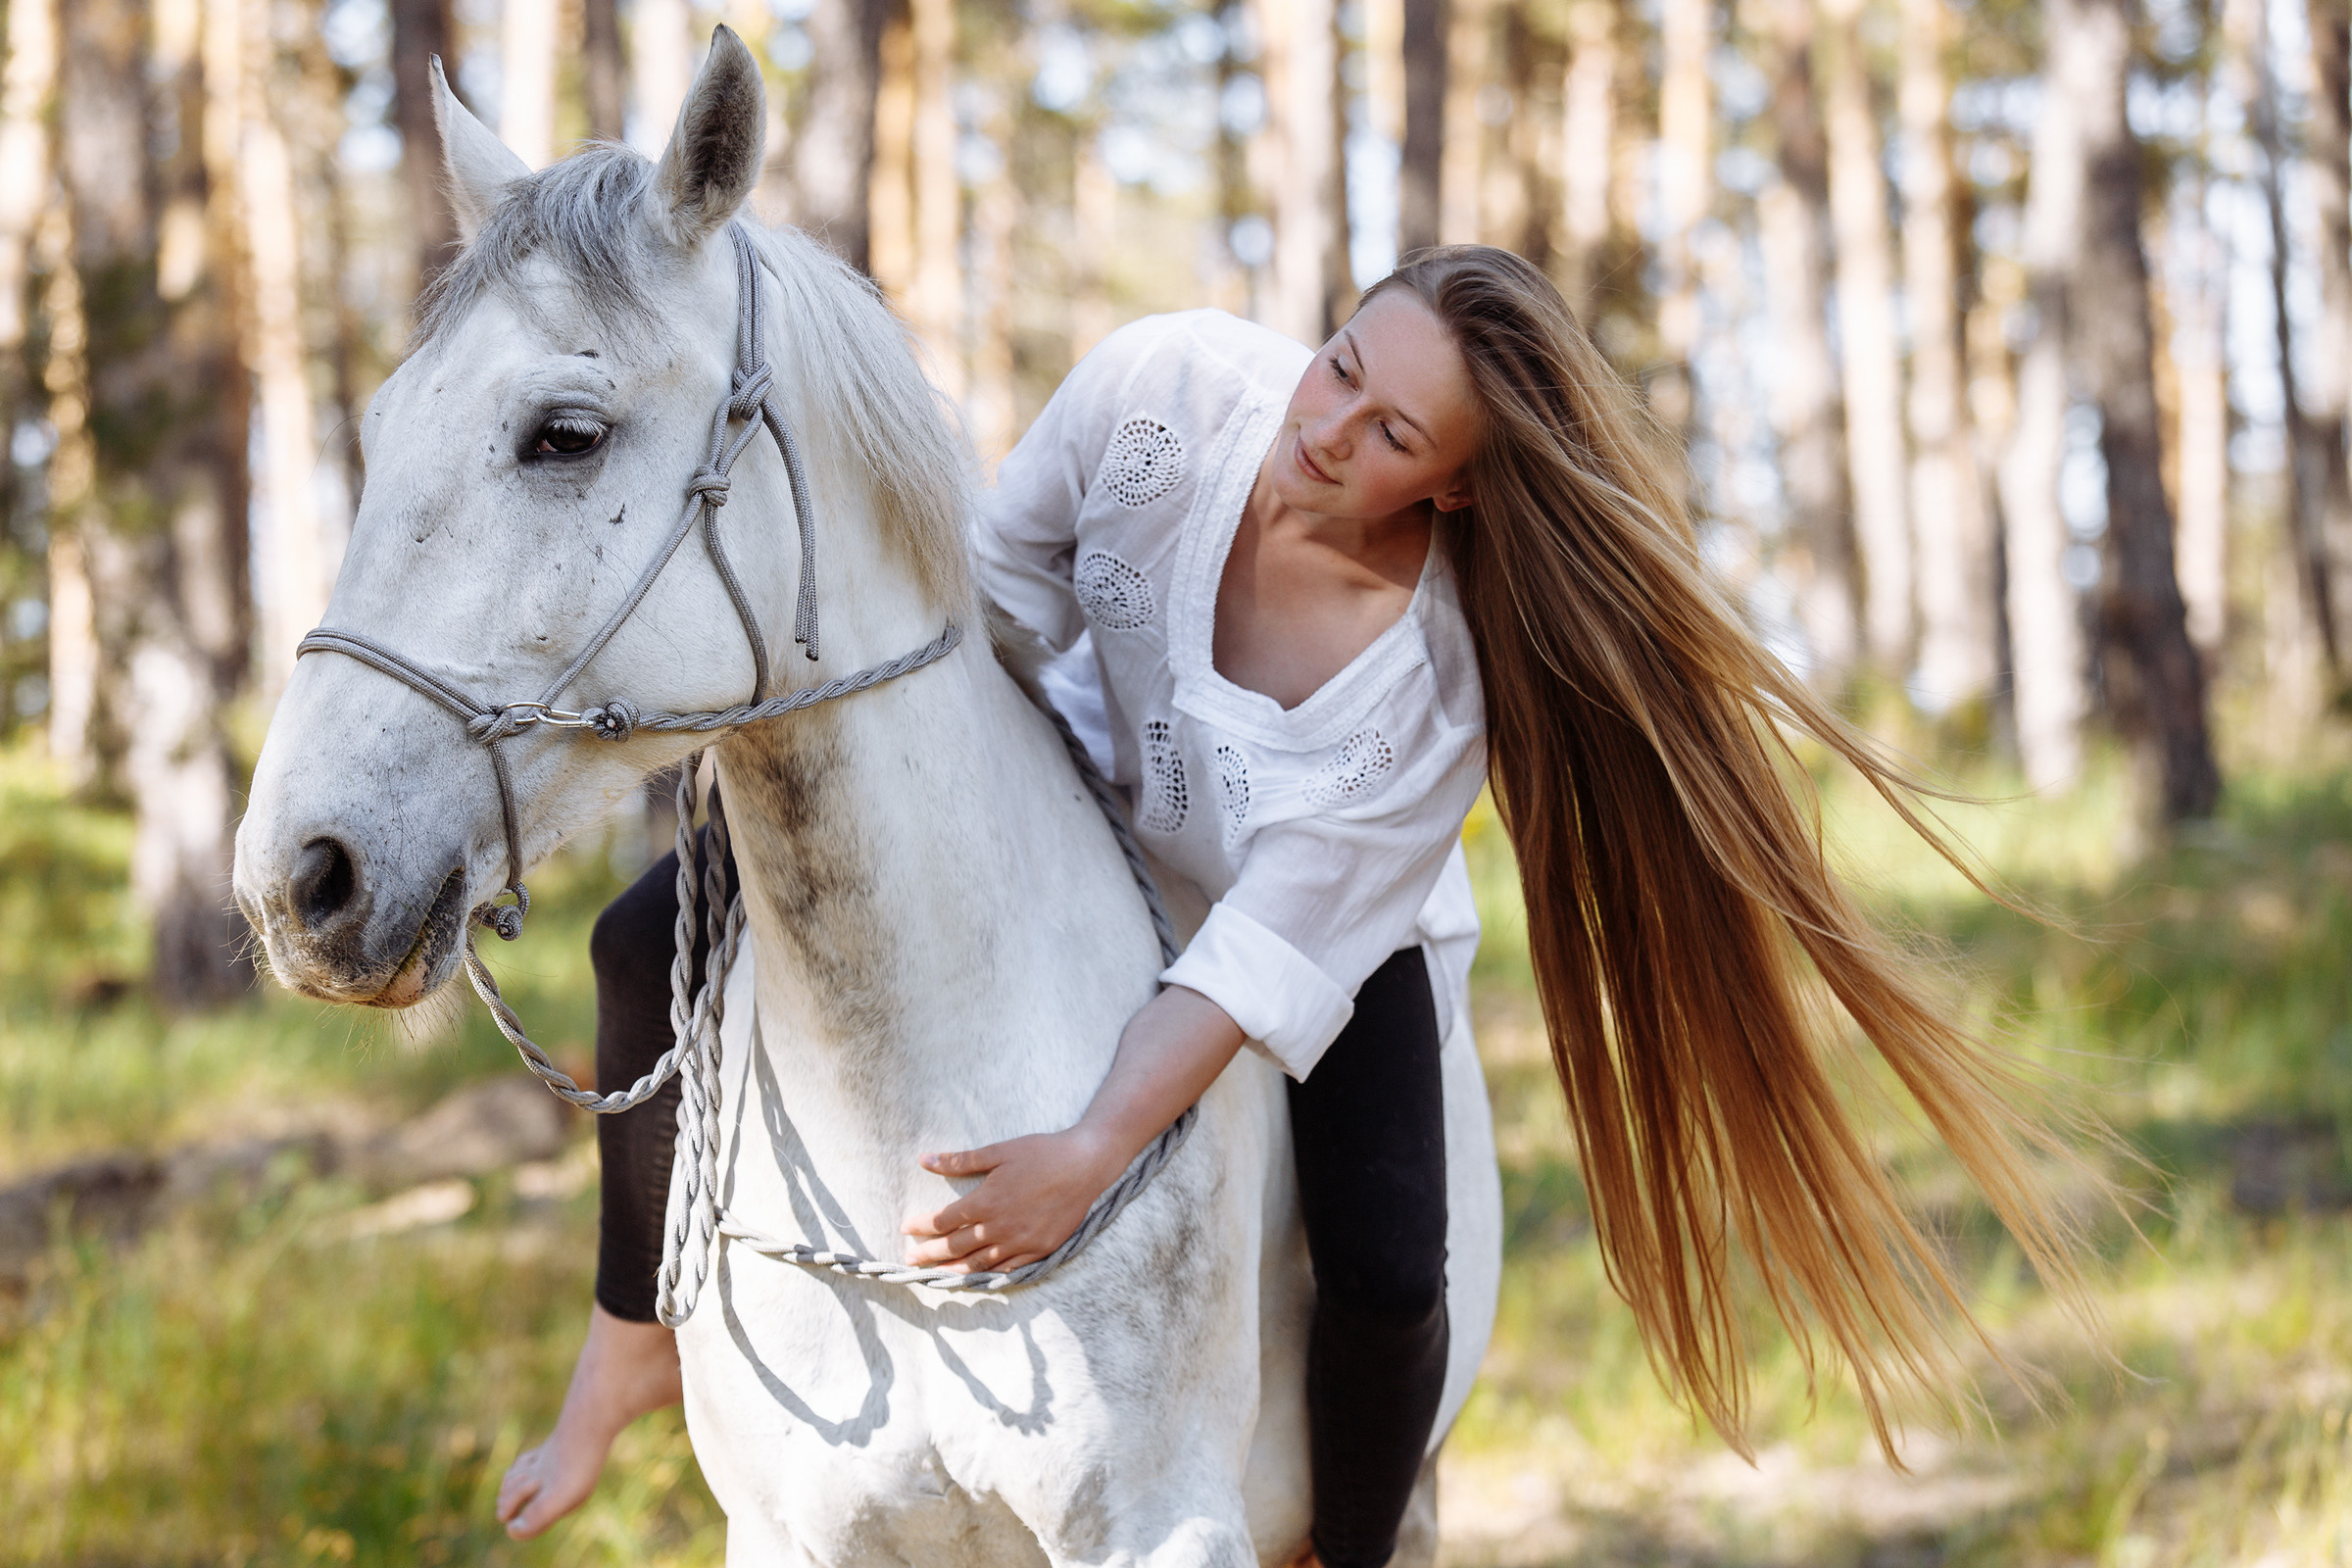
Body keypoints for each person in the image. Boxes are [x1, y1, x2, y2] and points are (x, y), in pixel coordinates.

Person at [498, 246, 2093, 1554]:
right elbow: (984, 604)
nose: (1330, 427)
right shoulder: (1162, 392)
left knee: (1393, 1258)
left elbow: (1257, 959)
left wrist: (1085, 1155)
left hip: (1306, 930)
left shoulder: (1432, 687)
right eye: (1342, 363)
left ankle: (1353, 1542)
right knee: (642, 938)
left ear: (1460, 490)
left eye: (1396, 433)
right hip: (1067, 802)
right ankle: (634, 1334)